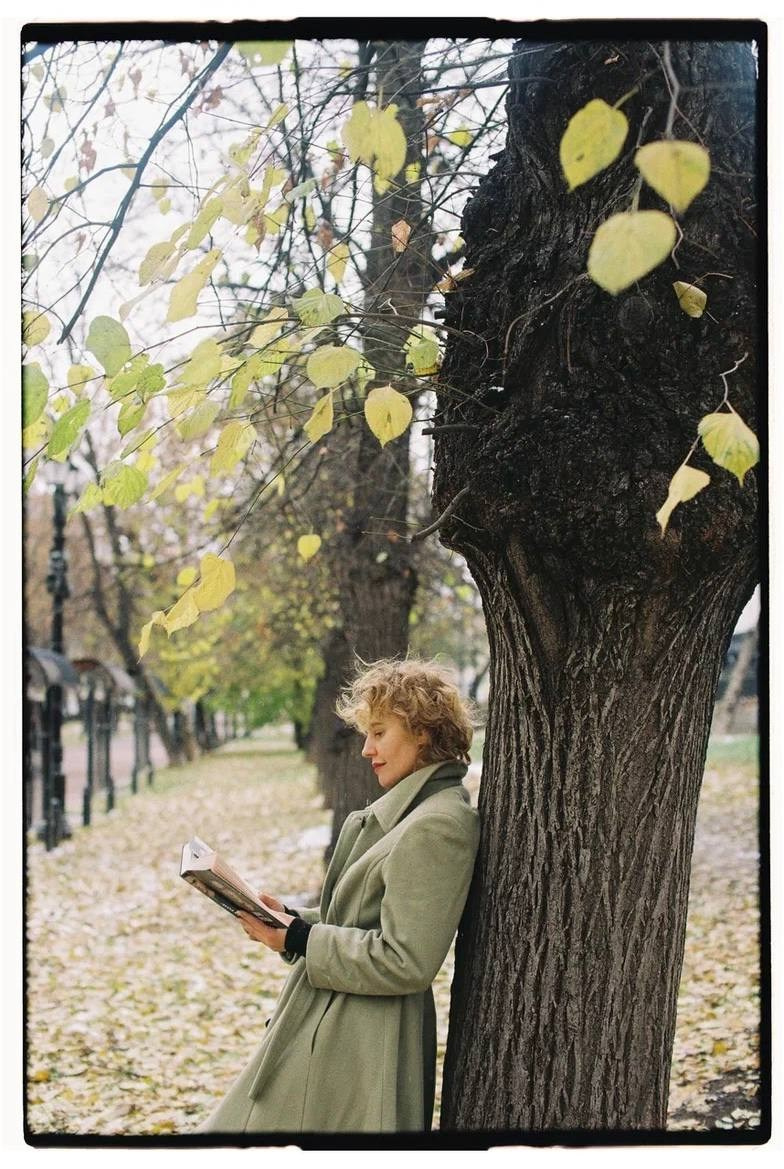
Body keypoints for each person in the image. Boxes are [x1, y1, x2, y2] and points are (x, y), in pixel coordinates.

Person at [198, 657, 480, 1135]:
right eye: (366, 735)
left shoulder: (437, 826)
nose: (367, 750)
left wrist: (301, 938)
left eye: (379, 733)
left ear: (423, 733)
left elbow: (406, 959)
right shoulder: (412, 815)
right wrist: (287, 921)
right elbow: (361, 921)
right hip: (340, 1024)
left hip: (362, 1043)